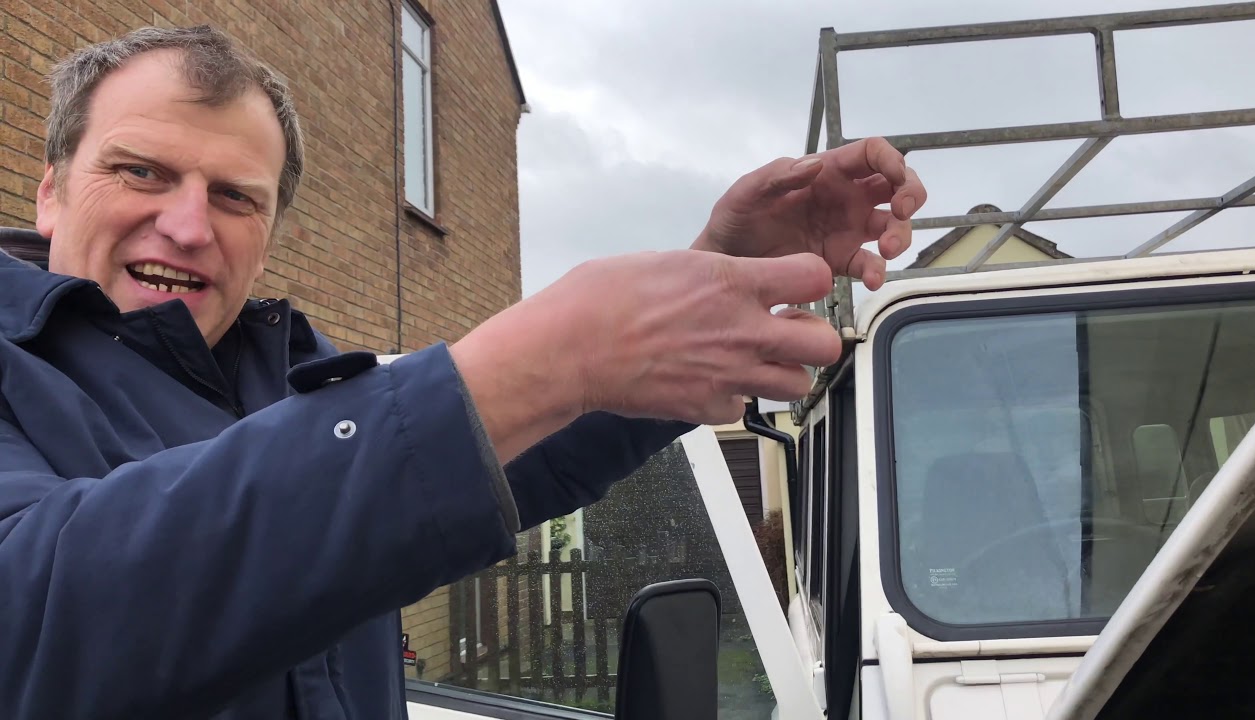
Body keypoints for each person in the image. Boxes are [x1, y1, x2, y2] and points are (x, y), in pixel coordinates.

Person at [0, 24, 925, 720]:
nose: (188, 226)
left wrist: (718, 277)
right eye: (141, 173)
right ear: (50, 191)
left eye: (236, 197)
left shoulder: (285, 373)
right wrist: (537, 359)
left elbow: (495, 458)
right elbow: (43, 620)